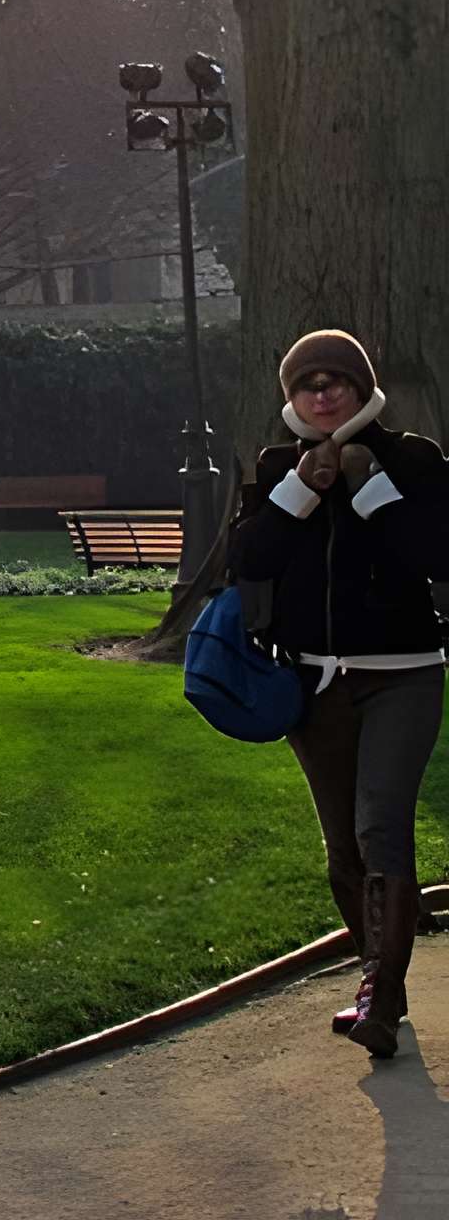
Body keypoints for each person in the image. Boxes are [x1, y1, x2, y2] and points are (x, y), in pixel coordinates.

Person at [228, 329, 449, 1058]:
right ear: (291, 397)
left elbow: (436, 552)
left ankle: (378, 1000)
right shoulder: (276, 467)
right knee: (343, 850)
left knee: (382, 827)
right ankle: (380, 979)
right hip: (313, 682)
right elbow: (248, 558)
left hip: (403, 674)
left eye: (336, 381)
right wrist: (300, 491)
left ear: (361, 387)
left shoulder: (412, 459)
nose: (322, 394)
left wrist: (372, 489)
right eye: (307, 384)